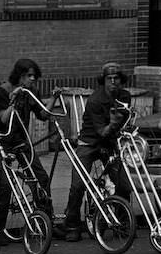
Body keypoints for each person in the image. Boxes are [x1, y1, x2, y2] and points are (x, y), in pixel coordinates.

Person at [57, 61, 133, 242]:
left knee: (123, 182)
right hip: (90, 142)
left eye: (116, 78)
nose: (113, 82)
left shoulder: (125, 96)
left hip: (111, 143)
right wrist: (114, 123)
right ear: (104, 80)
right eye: (109, 78)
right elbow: (102, 132)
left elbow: (125, 122)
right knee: (77, 184)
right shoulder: (95, 100)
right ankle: (72, 225)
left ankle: (124, 223)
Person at [0, 58, 53, 240]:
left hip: (21, 140)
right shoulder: (3, 91)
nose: (32, 79)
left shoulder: (31, 92)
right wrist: (14, 100)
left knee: (41, 177)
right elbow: (3, 119)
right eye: (28, 76)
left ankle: (45, 221)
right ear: (19, 75)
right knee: (6, 183)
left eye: (34, 76)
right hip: (2, 141)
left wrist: (54, 98)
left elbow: (43, 115)